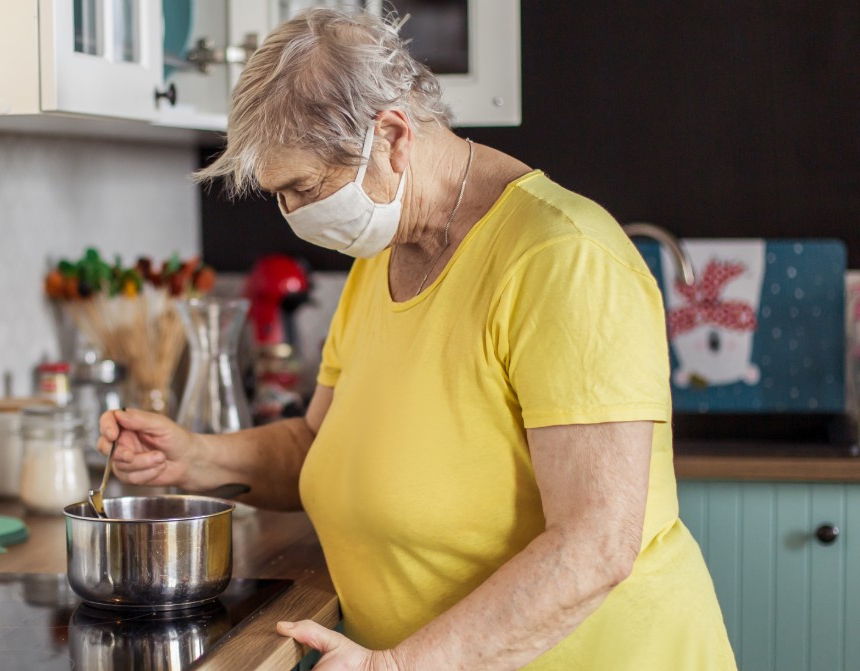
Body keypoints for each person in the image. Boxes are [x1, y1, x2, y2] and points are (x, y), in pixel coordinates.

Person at [98, 8, 736, 670]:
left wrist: (399, 665)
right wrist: (195, 459)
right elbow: (318, 443)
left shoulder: (564, 258)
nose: (293, 217)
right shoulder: (380, 255)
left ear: (393, 136)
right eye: (279, 197)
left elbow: (595, 544)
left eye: (304, 188)